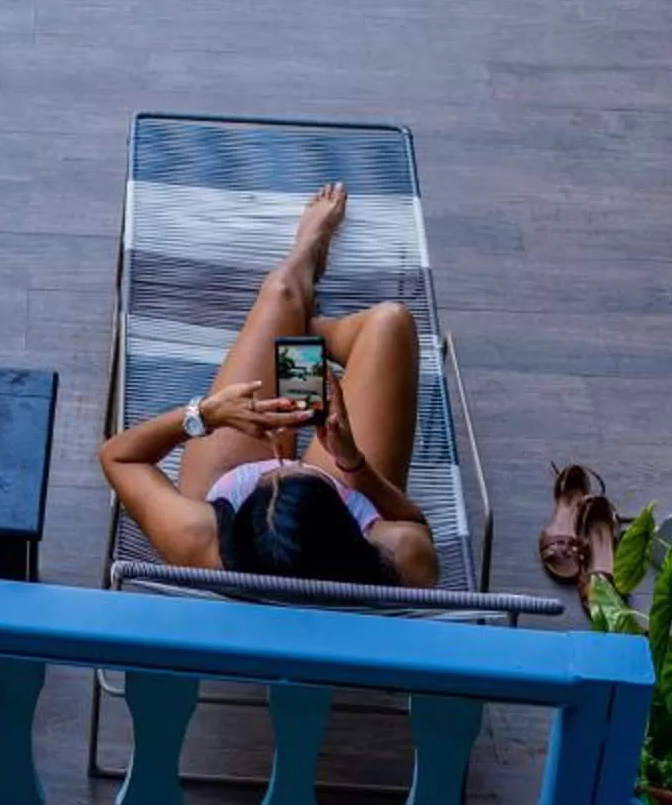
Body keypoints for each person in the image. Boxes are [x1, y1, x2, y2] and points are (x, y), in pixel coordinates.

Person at [99, 182, 438, 588]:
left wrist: (205, 415)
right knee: (390, 323)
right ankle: (303, 331)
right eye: (302, 470)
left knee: (279, 295)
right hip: (344, 479)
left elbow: (119, 457)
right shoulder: (398, 558)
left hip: (236, 484)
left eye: (269, 475)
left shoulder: (200, 543)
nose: (285, 456)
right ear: (348, 529)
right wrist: (351, 465)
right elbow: (415, 523)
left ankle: (303, 265)